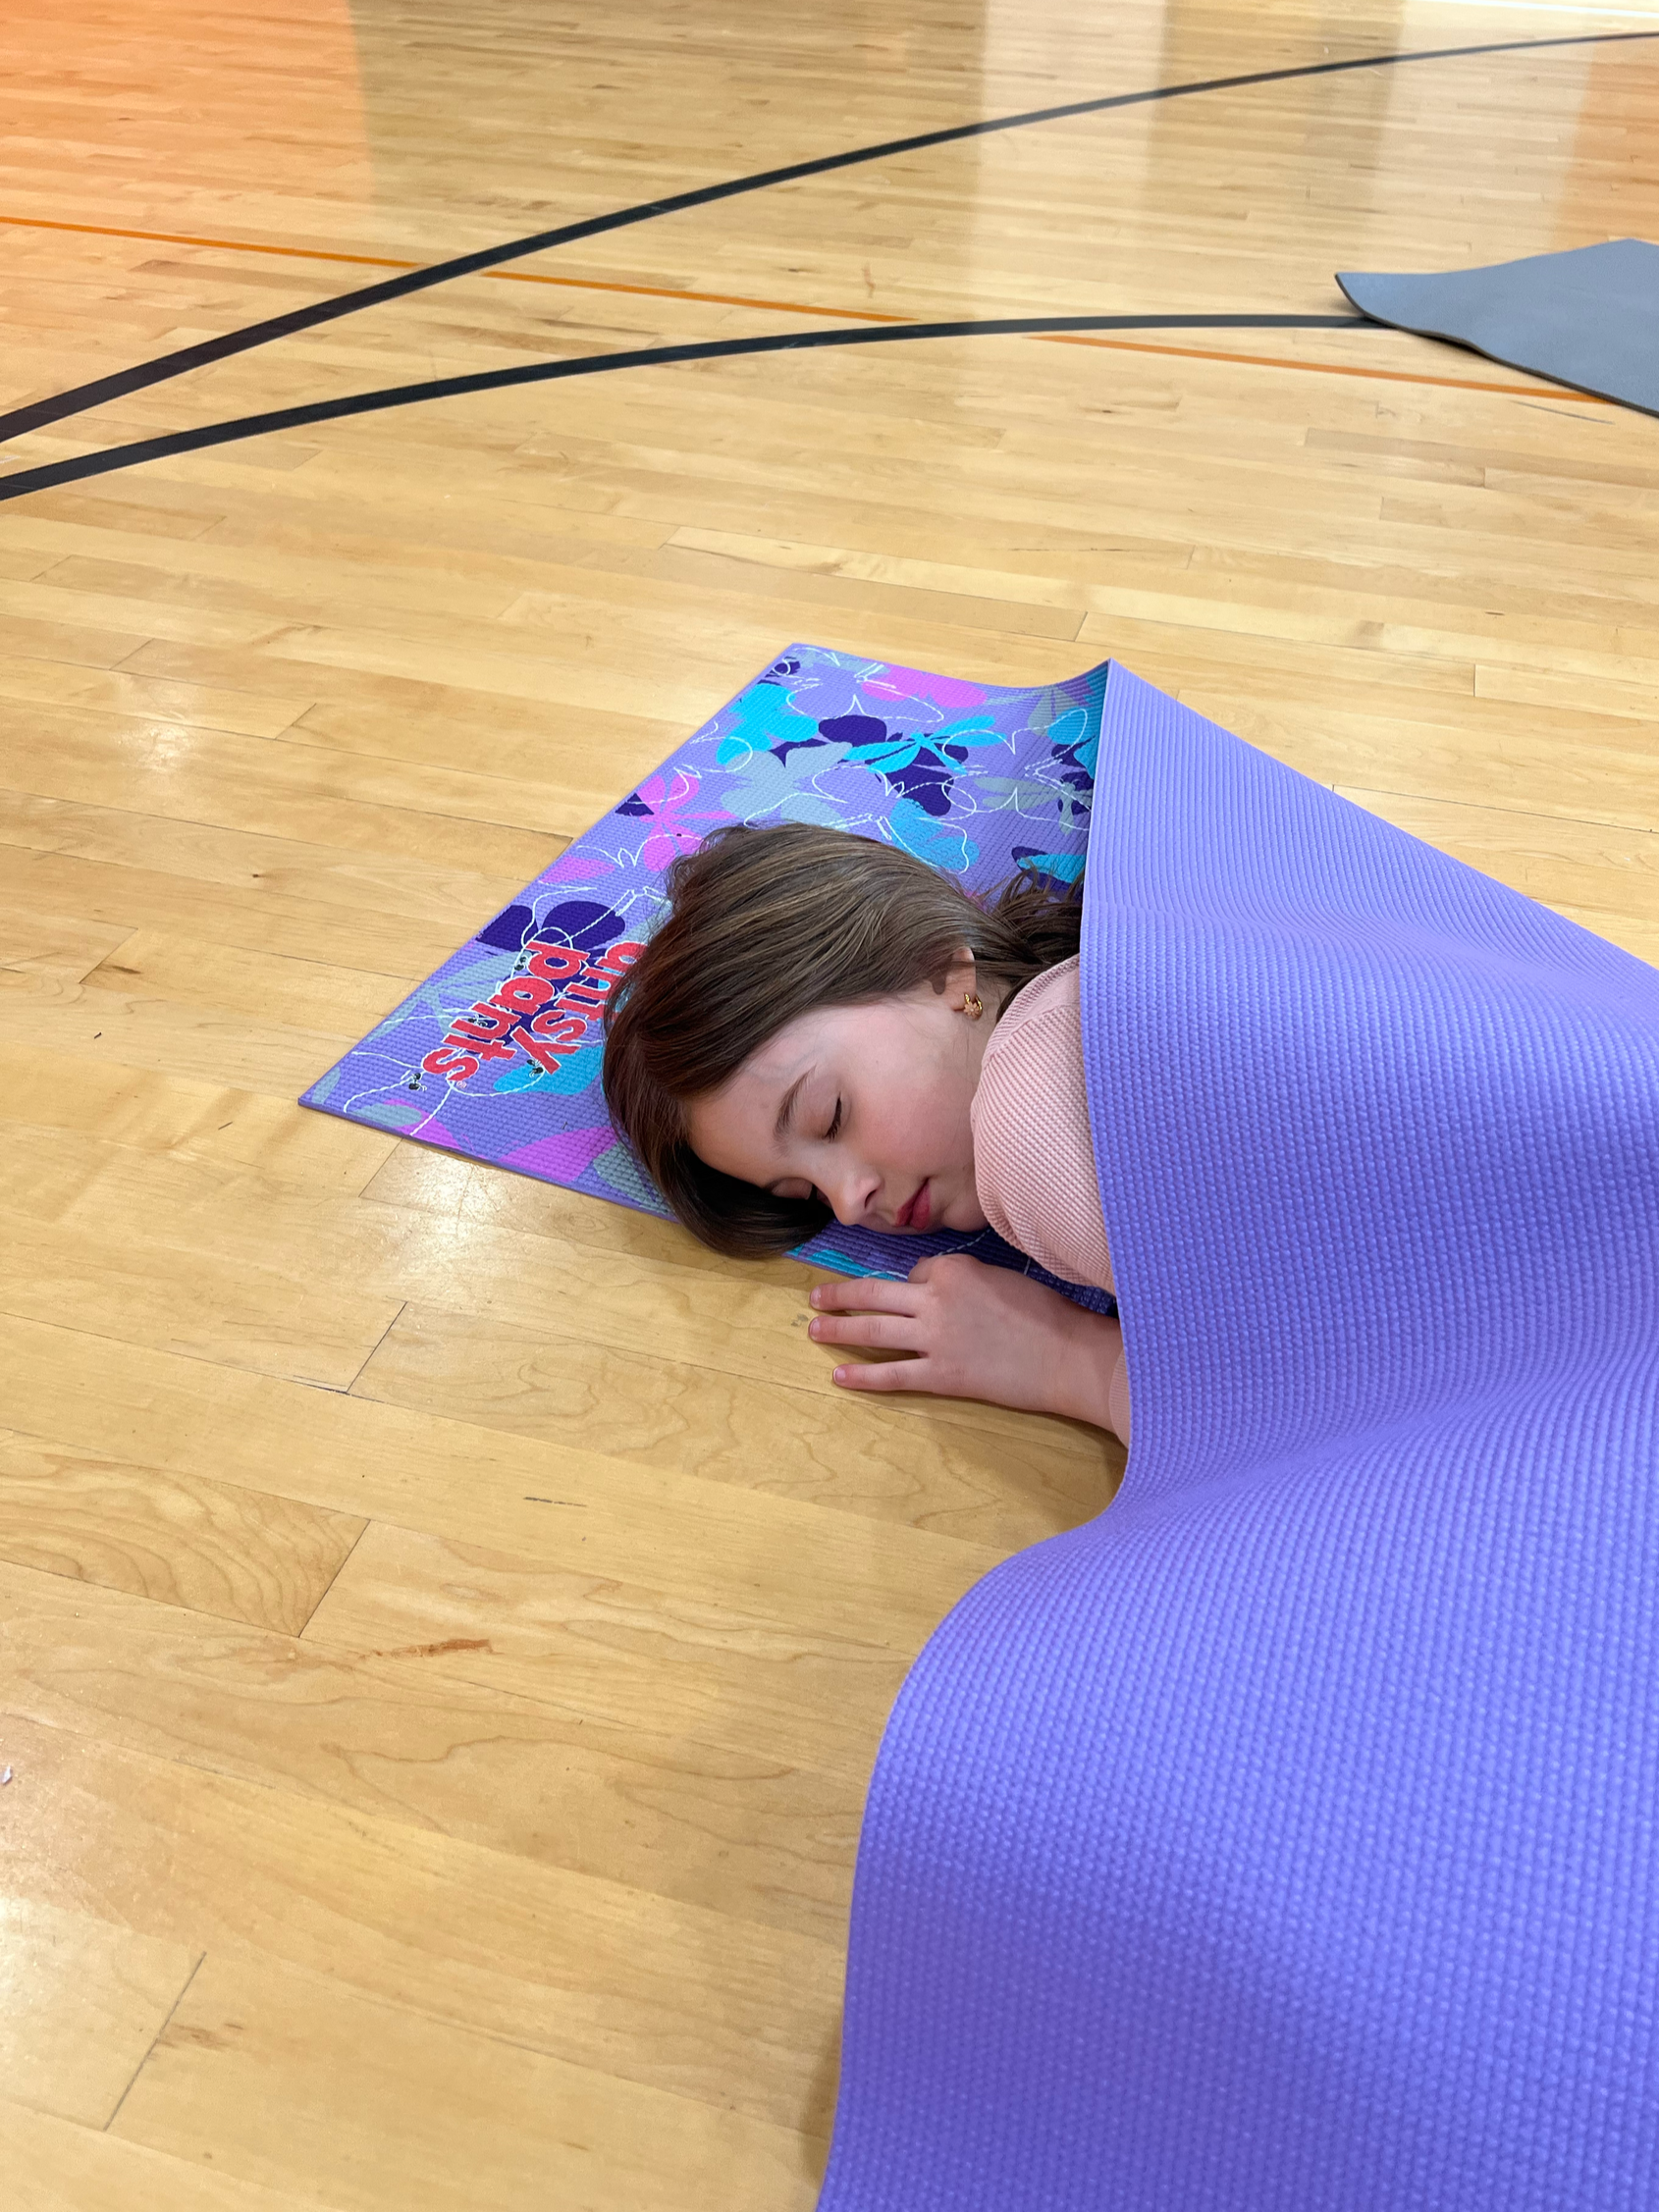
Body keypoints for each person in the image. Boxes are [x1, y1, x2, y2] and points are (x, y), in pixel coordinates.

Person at [602, 822, 1130, 1444]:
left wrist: (1068, 1361)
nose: (849, 1205)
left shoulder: (1028, 1134)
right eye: (807, 1194)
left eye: (830, 1116)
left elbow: (1256, 1406)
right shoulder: (1098, 963)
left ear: (942, 970)